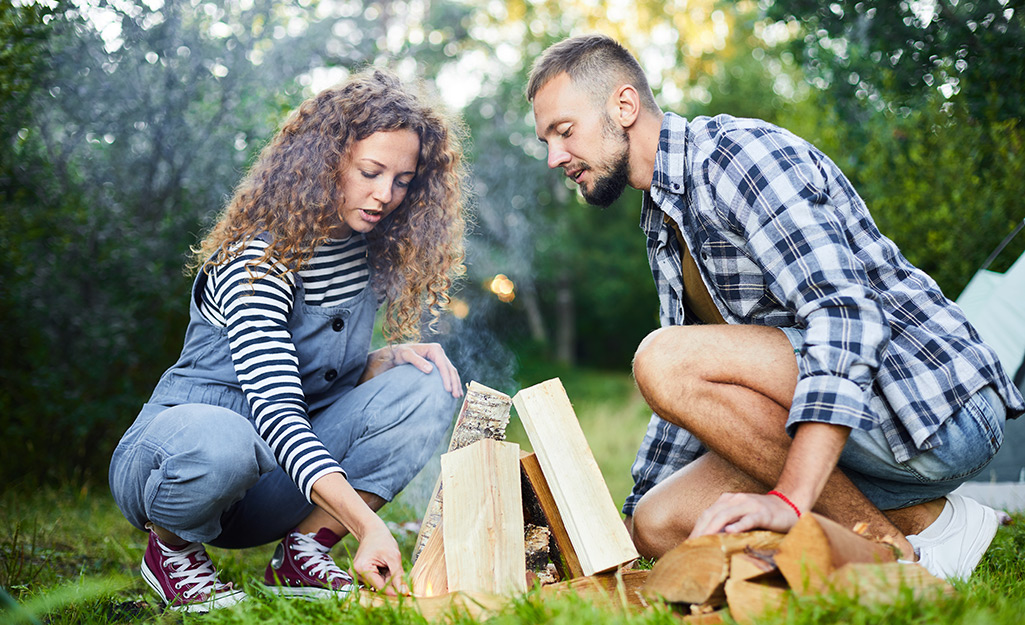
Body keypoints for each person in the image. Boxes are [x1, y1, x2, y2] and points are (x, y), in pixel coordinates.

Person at [527, 34, 1024, 581]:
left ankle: (879, 543)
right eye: (546, 140)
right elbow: (690, 402)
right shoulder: (662, 219)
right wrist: (620, 532)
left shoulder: (737, 157)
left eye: (563, 131)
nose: (554, 158)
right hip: (862, 431)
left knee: (662, 359)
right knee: (660, 522)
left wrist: (788, 498)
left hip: (934, 407)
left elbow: (846, 318)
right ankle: (926, 530)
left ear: (624, 106)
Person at [108, 68, 468, 612]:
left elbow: (314, 374)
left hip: (275, 482)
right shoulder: (256, 261)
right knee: (224, 439)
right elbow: (276, 410)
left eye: (402, 180)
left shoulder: (362, 251)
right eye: (371, 172)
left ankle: (304, 551)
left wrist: (383, 361)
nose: (385, 195)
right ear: (325, 162)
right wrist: (371, 526)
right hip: (179, 464)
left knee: (428, 384)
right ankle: (173, 550)